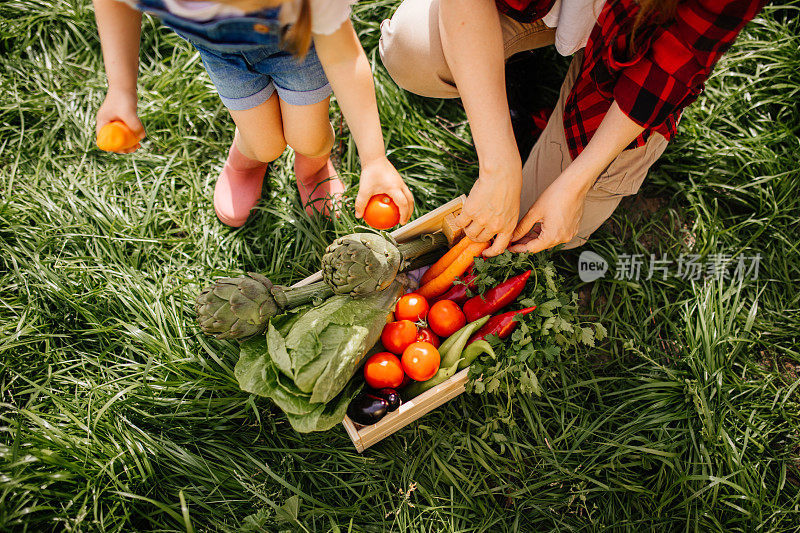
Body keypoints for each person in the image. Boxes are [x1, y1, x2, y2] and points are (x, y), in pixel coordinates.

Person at [379, 0, 766, 256]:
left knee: (540, 223)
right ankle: (513, 63)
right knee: (413, 54)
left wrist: (576, 183)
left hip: (637, 44)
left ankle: (567, 70)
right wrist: (499, 164)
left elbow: (672, 64)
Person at [93, 0, 414, 227]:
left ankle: (314, 165)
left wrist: (374, 158)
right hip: (222, 57)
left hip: (299, 46)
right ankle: (247, 158)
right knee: (265, 145)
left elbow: (344, 58)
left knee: (310, 140)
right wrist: (121, 89)